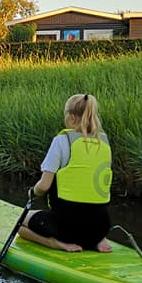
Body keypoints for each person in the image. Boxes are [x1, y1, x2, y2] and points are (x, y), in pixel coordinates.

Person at [19, 93, 114, 253]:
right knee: (89, 214)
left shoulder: (61, 141)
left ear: (71, 117)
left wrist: (31, 193)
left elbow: (44, 186)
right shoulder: (104, 142)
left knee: (21, 224)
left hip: (66, 228)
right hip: (100, 226)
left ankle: (55, 243)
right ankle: (98, 241)